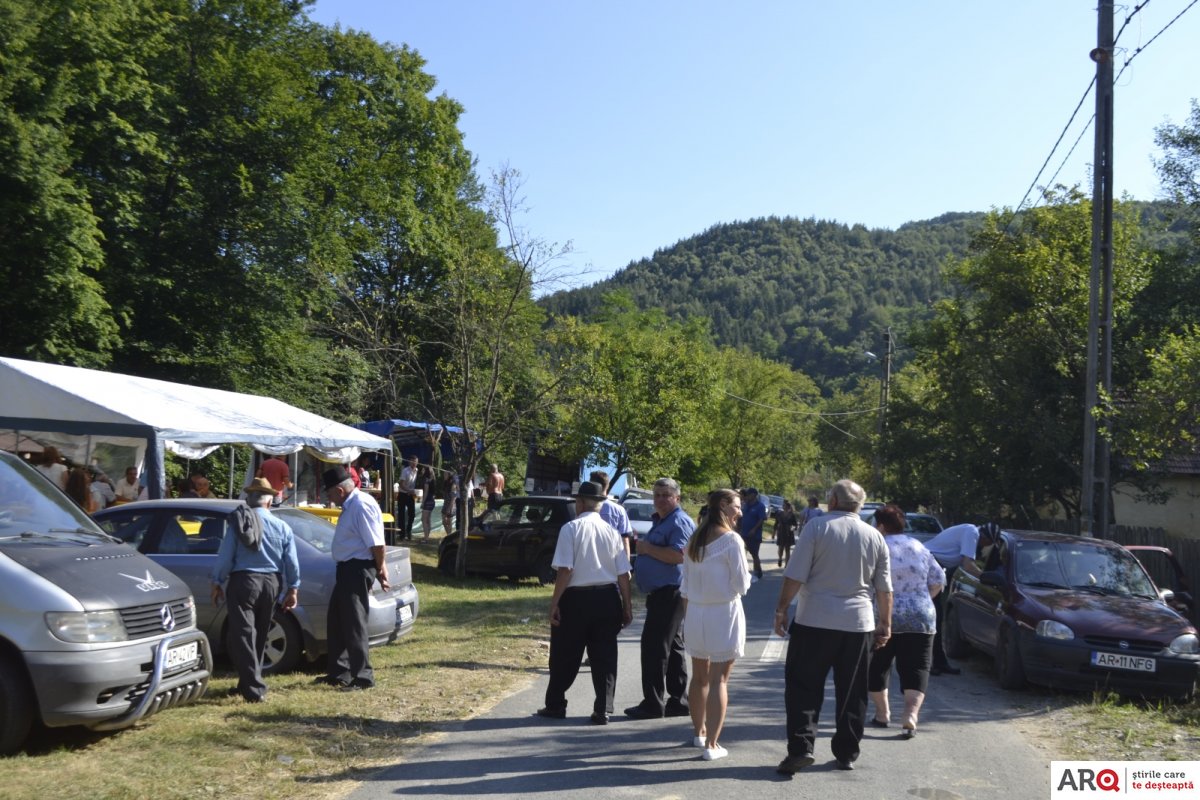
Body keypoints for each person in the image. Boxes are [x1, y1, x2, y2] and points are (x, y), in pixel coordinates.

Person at [773, 478, 892, 775]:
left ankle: (801, 748)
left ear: (834, 501)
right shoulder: (875, 536)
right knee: (853, 692)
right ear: (859, 505)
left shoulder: (817, 527)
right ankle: (847, 752)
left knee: (803, 687)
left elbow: (795, 574)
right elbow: (884, 588)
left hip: (814, 620)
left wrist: (782, 609)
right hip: (858, 624)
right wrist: (885, 624)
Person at [536, 481, 633, 724]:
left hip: (576, 598)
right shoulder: (612, 532)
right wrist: (627, 606)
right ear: (599, 505)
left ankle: (556, 703)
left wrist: (555, 603)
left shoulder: (571, 529)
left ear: (580, 503)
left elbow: (565, 570)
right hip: (607, 597)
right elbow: (623, 574)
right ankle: (603, 708)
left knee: (565, 653)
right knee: (605, 656)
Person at [210, 477, 300, 702]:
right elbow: (291, 562)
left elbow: (226, 556)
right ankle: (248, 683)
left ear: (249, 500)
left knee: (243, 635)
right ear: (269, 501)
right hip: (272, 583)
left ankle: (253, 688)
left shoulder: (240, 523)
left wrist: (217, 581)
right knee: (260, 633)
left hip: (244, 581)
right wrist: (293, 588)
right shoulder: (283, 527)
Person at [682, 489, 752, 761]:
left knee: (699, 677)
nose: (740, 512)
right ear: (724, 505)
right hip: (723, 612)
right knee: (719, 680)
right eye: (737, 506)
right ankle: (711, 745)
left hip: (695, 612)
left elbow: (685, 585)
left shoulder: (694, 539)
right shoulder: (732, 540)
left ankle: (699, 733)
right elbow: (742, 585)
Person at [865, 504, 943, 738]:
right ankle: (910, 716)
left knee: (877, 665)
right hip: (920, 616)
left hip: (881, 616)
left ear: (880, 525)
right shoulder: (919, 547)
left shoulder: (875, 547)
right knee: (917, 667)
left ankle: (882, 714)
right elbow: (938, 580)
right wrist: (921, 601)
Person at [625, 477, 695, 720]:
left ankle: (653, 704)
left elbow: (678, 555)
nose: (661, 500)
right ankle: (679, 701)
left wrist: (646, 549)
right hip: (663, 593)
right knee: (672, 648)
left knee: (654, 648)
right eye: (657, 495)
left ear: (677, 498)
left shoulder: (679, 521)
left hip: (671, 592)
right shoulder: (662, 520)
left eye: (666, 495)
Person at [318, 466, 390, 690]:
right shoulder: (351, 505)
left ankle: (363, 676)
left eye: (330, 494)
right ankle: (340, 672)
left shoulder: (361, 505)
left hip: (357, 568)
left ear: (340, 490)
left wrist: (380, 568)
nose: (329, 499)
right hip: (347, 568)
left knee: (354, 623)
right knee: (337, 620)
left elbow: (377, 543)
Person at [922, 521, 1000, 675]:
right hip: (928, 565)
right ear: (986, 538)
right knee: (932, 618)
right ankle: (928, 664)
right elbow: (968, 565)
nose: (985, 546)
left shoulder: (969, 530)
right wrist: (985, 578)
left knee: (937, 617)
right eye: (988, 543)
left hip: (933, 566)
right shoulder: (972, 533)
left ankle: (939, 662)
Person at [590, 470, 634, 559]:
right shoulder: (619, 510)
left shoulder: (585, 507)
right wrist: (626, 564)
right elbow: (625, 540)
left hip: (589, 558)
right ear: (607, 485)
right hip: (612, 560)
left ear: (592, 485)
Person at [738, 487, 768, 579]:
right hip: (743, 533)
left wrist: (754, 529)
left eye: (748, 494)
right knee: (741, 553)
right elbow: (741, 517)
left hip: (754, 535)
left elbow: (761, 519)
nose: (746, 496)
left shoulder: (760, 506)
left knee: (754, 554)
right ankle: (743, 571)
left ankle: (757, 572)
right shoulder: (745, 505)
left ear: (754, 495)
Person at [397, 455, 418, 541]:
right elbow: (401, 484)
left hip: (411, 495)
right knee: (401, 515)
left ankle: (408, 531)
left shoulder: (417, 471)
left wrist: (413, 491)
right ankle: (402, 534)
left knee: (412, 514)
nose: (414, 463)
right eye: (413, 462)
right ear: (410, 462)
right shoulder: (405, 470)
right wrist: (409, 490)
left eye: (416, 462)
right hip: (402, 494)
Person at [774, 500, 799, 567]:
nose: (783, 506)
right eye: (783, 505)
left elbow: (795, 526)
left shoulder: (792, 515)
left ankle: (786, 564)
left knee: (787, 549)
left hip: (788, 534)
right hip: (781, 533)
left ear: (788, 507)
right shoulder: (780, 514)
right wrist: (774, 532)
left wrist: (791, 529)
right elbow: (776, 523)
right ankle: (780, 558)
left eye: (784, 505)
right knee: (780, 548)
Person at [418, 464, 437, 539]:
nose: (422, 471)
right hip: (432, 500)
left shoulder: (426, 480)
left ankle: (426, 537)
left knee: (424, 520)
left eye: (423, 469)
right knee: (428, 519)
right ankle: (427, 536)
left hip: (427, 500)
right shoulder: (433, 479)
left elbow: (426, 492)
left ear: (426, 471)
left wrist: (423, 502)